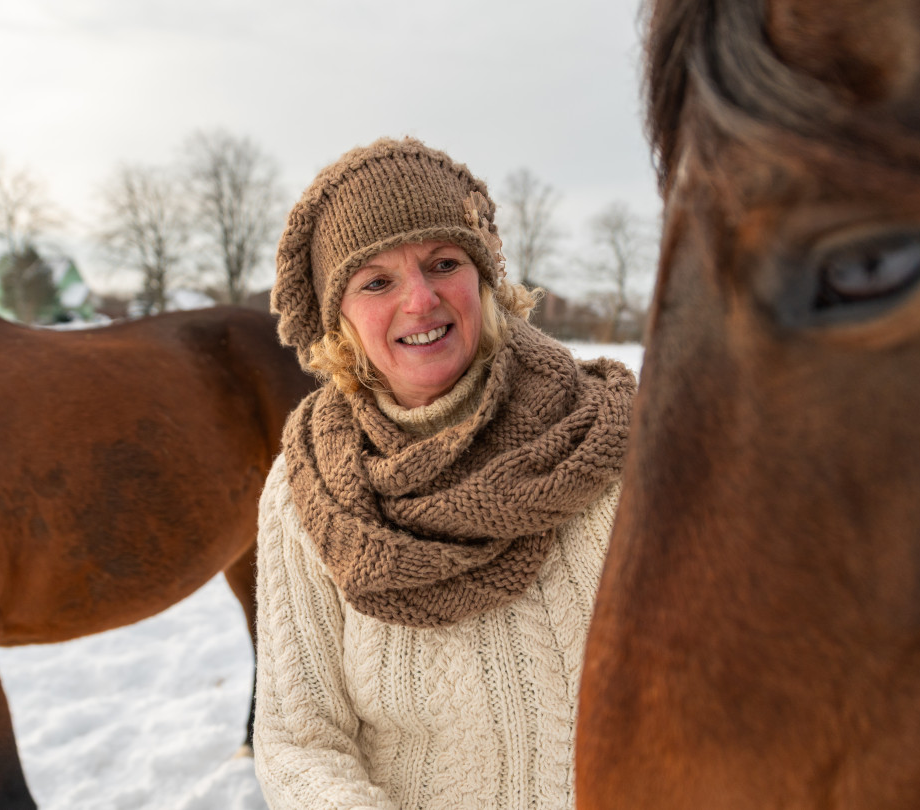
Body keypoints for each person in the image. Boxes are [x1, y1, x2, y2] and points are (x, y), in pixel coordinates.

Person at [254, 136, 636, 809]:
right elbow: (298, 740)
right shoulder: (306, 490)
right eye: (376, 282)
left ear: (484, 278)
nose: (420, 300)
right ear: (338, 316)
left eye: (443, 263)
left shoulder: (609, 444)